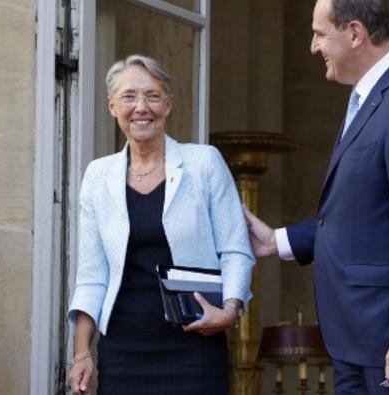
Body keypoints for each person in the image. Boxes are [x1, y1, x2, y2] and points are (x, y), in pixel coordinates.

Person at [244, 0, 389, 393]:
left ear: (355, 33)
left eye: (319, 34)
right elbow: (361, 216)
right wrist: (276, 241)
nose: (313, 47)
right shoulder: (369, 98)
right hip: (360, 341)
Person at [66, 54, 254, 395]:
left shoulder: (204, 163)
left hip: (195, 343)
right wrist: (81, 354)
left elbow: (236, 249)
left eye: (152, 95)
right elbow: (92, 275)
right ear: (112, 106)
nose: (141, 107)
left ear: (168, 104)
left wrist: (230, 310)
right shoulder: (98, 175)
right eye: (129, 96)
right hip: (123, 349)